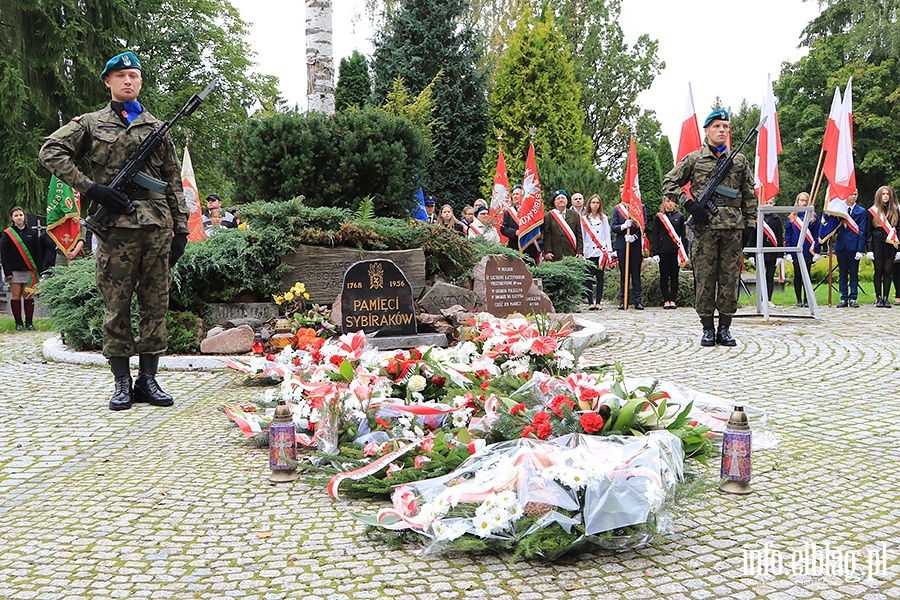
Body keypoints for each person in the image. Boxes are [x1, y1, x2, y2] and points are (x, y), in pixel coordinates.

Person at [40, 50, 189, 411]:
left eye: (134, 76)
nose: (128, 81)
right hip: (113, 229)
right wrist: (91, 188)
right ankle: (122, 382)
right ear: (108, 81)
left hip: (156, 226)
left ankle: (149, 380)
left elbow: (172, 180)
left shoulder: (158, 128)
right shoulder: (90, 124)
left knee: (156, 305)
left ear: (140, 81)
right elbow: (50, 151)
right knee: (116, 305)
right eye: (121, 76)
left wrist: (181, 228)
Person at [662, 109, 756, 346]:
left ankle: (725, 328)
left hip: (733, 229)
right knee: (704, 279)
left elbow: (749, 195)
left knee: (730, 279)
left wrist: (750, 224)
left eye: (725, 126)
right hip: (704, 229)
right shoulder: (694, 159)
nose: (722, 130)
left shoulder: (739, 160)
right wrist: (689, 204)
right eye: (717, 126)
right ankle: (707, 328)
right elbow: (669, 183)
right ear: (707, 130)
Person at [1, 207, 44, 330]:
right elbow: (4, 254)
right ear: (12, 218)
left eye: (21, 215)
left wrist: (39, 271)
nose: (19, 217)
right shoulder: (7, 234)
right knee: (15, 296)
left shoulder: (33, 233)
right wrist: (7, 272)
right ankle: (18, 323)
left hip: (29, 270)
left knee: (28, 296)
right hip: (14, 271)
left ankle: (29, 323)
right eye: (16, 215)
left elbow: (37, 253)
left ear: (24, 216)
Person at [866, 185, 900, 307]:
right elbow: (868, 231)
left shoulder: (896, 210)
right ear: (879, 196)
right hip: (877, 244)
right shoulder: (872, 211)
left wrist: (898, 248)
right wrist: (869, 249)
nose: (885, 196)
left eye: (887, 194)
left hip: (890, 244)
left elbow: (899, 229)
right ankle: (878, 297)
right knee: (878, 270)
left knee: (888, 271)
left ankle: (886, 297)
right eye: (883, 194)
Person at [611, 195, 647, 310]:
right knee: (624, 274)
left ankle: (638, 301)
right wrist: (623, 227)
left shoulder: (640, 207)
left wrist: (635, 237)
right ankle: (623, 300)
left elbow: (643, 225)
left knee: (636, 274)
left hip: (635, 244)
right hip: (622, 244)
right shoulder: (617, 209)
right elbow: (614, 227)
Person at [784, 192, 820, 307]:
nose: (803, 203)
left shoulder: (813, 217)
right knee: (798, 274)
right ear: (797, 201)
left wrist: (817, 250)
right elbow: (788, 236)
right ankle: (799, 300)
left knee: (807, 275)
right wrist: (788, 251)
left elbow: (816, 235)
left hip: (808, 250)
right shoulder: (792, 217)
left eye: (806, 201)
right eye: (801, 200)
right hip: (796, 249)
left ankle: (807, 299)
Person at [833, 190, 867, 308]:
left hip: (854, 246)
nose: (853, 197)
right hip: (841, 245)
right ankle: (843, 297)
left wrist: (860, 249)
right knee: (842, 273)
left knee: (853, 273)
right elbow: (833, 228)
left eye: (855, 194)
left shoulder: (861, 211)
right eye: (851, 194)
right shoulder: (839, 210)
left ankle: (853, 297)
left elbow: (862, 232)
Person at [651, 197, 687, 309]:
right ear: (664, 203)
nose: (670, 203)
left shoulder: (680, 216)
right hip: (663, 250)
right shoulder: (659, 217)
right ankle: (666, 299)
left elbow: (683, 235)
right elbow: (655, 234)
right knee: (664, 276)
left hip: (676, 251)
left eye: (672, 201)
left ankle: (673, 299)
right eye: (667, 201)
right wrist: (655, 252)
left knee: (674, 276)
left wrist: (684, 252)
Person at [581, 194, 612, 310]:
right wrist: (583, 251)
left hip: (600, 252)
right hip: (589, 251)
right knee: (588, 278)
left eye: (597, 203)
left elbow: (607, 235)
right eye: (593, 202)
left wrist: (608, 251)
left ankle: (598, 301)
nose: (595, 204)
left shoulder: (603, 218)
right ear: (589, 204)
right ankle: (590, 302)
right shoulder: (584, 219)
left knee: (600, 278)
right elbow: (583, 236)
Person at [753, 197, 784, 309]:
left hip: (772, 251)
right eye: (766, 202)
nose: (768, 205)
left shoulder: (777, 219)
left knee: (769, 277)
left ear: (774, 204)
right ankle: (760, 298)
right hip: (760, 251)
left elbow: (780, 237)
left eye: (770, 203)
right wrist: (751, 255)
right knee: (760, 277)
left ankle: (768, 299)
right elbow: (753, 236)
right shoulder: (757, 219)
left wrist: (780, 254)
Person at [500, 184, 539, 263]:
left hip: (530, 247)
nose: (515, 196)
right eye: (513, 194)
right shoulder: (508, 212)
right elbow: (503, 229)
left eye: (517, 194)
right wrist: (515, 232)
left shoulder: (531, 211)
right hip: (515, 248)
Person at [543, 190, 583, 262]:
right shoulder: (548, 216)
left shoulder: (574, 215)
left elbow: (579, 235)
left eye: (563, 198)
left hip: (571, 253)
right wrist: (548, 251)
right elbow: (547, 236)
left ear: (567, 201)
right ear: (554, 202)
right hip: (555, 254)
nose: (561, 200)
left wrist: (579, 252)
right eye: (558, 198)